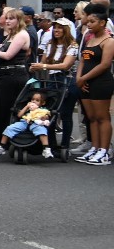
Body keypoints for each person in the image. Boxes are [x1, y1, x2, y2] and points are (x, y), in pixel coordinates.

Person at [29, 17, 78, 152]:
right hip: (51, 80)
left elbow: (66, 65)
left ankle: (65, 145)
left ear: (66, 30)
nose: (57, 30)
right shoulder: (51, 44)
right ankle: (50, 144)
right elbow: (43, 61)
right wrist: (35, 67)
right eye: (55, 27)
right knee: (49, 112)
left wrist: (43, 65)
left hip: (66, 80)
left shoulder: (72, 46)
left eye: (60, 27)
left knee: (65, 113)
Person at [74, 3, 113, 166]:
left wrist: (84, 78)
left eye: (92, 22)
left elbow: (104, 65)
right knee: (92, 118)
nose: (88, 24)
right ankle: (95, 148)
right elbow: (83, 59)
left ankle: (104, 152)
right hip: (86, 82)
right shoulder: (90, 39)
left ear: (102, 23)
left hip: (101, 82)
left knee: (102, 117)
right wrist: (79, 78)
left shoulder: (109, 41)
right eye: (87, 21)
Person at [0, 7, 32, 147]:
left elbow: (8, 55)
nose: (7, 21)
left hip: (14, 75)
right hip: (4, 75)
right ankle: (1, 137)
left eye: (11, 18)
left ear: (19, 20)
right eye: (7, 18)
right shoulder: (11, 35)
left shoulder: (21, 34)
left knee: (8, 108)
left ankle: (7, 140)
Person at [0, 91, 54, 159]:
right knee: (9, 128)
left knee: (42, 131)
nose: (34, 101)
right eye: (32, 99)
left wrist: (43, 117)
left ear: (43, 103)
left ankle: (46, 149)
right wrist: (26, 107)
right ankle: (2, 147)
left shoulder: (43, 110)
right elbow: (19, 115)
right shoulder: (27, 108)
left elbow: (47, 116)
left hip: (36, 123)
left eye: (37, 100)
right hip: (24, 122)